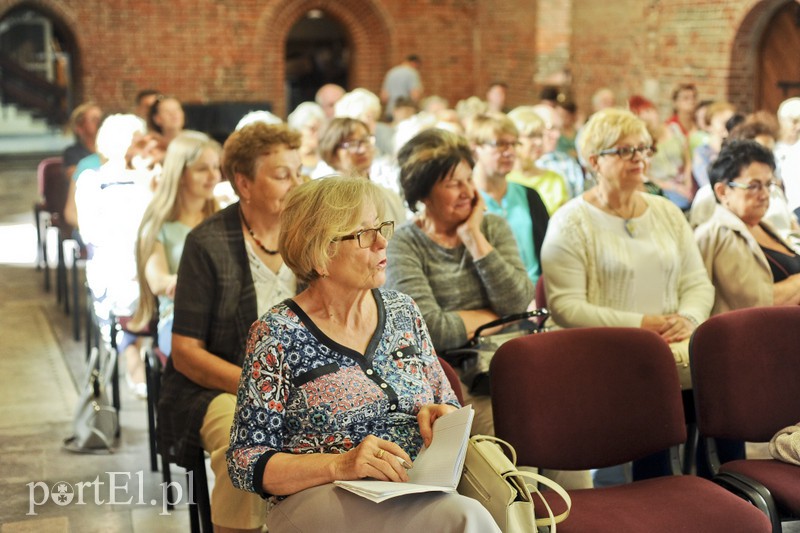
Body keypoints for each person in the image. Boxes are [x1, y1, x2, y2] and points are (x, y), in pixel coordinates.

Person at [226, 177, 499, 533]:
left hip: (420, 487)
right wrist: (340, 464)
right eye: (363, 234)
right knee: (462, 517)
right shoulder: (276, 333)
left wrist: (440, 416)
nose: (383, 242)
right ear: (320, 252)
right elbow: (245, 461)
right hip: (322, 495)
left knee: (464, 510)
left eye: (381, 227)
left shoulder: (404, 311)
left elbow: (446, 404)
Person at [541, 107, 714, 484]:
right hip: (601, 353)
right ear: (593, 162)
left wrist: (689, 318)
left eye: (643, 149)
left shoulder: (667, 211)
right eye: (624, 151)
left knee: (715, 378)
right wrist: (642, 326)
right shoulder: (571, 222)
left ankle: (703, 487)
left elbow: (698, 282)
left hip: (671, 349)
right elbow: (566, 306)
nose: (639, 158)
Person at [158, 122, 302, 532]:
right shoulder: (208, 243)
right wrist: (261, 389)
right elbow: (185, 352)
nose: (297, 183)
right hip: (218, 383)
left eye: (298, 171)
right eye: (281, 175)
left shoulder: (307, 236)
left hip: (300, 381)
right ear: (244, 182)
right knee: (246, 441)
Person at [131, 132, 221, 356]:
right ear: (180, 174)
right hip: (179, 318)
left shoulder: (222, 219)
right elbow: (158, 280)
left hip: (221, 317)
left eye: (215, 167)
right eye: (202, 169)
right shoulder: (159, 224)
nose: (213, 176)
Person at [695, 139, 800, 314]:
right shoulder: (722, 233)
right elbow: (755, 304)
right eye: (753, 186)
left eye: (768, 184)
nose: (765, 194)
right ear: (722, 191)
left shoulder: (762, 225)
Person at [466, 113, 550, 284]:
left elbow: (548, 253)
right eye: (500, 144)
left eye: (513, 144)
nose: (510, 152)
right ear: (475, 149)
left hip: (536, 295)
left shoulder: (529, 195)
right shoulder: (465, 200)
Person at [316, 117, 407, 223]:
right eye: (352, 144)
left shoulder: (389, 197)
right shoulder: (328, 201)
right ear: (331, 152)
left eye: (365, 140)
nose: (362, 149)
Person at [629, 95, 694, 210]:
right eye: (642, 114)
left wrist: (688, 184)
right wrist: (675, 187)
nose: (649, 117)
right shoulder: (643, 143)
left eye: (649, 111)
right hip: (663, 186)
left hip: (684, 181)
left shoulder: (674, 129)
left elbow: (688, 160)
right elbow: (646, 175)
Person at [506, 106, 571, 215]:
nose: (539, 142)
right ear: (513, 139)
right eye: (531, 136)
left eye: (540, 135)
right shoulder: (503, 179)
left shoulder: (554, 180)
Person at [692, 101, 736, 189]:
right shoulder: (702, 152)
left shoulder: (735, 150)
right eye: (722, 122)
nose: (727, 127)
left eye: (730, 122)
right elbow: (706, 183)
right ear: (709, 125)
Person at [63, 102, 103, 183]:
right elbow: (77, 180)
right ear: (80, 128)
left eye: (101, 119)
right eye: (94, 120)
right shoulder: (72, 153)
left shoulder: (112, 150)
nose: (100, 124)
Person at [287, 102, 326, 177]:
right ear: (298, 129)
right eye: (312, 129)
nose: (317, 134)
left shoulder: (326, 157)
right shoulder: (288, 156)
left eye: (320, 129)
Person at [380, 54, 423, 121]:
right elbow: (415, 94)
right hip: (406, 114)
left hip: (391, 112)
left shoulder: (391, 72)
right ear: (414, 63)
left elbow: (384, 97)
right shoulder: (412, 73)